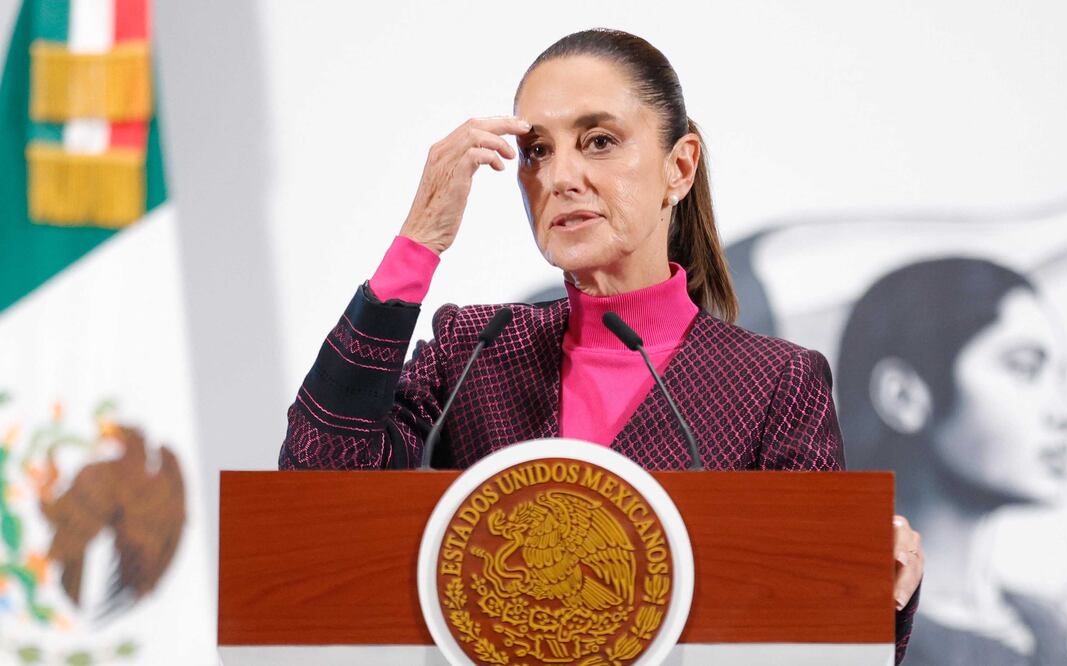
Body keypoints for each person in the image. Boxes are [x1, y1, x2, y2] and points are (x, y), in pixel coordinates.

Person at [278, 28, 921, 662]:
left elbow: (810, 633)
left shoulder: (774, 382)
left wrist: (877, 595)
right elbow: (315, 484)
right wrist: (419, 242)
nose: (560, 177)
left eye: (599, 142)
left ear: (680, 167)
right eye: (536, 152)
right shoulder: (474, 348)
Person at [838, 258, 1067, 665]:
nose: (1064, 412)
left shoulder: (1047, 627)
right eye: (1024, 368)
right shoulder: (844, 632)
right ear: (903, 396)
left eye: (1061, 378)